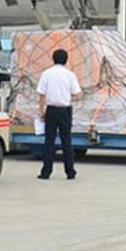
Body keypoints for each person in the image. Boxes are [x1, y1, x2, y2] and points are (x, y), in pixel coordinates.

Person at [36, 48, 83, 181]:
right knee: (66, 141)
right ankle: (70, 172)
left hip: (51, 110)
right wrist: (67, 96)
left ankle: (46, 172)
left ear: (53, 59)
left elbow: (41, 95)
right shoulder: (70, 75)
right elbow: (77, 94)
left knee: (49, 141)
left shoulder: (46, 74)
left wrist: (42, 111)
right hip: (65, 110)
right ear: (66, 60)